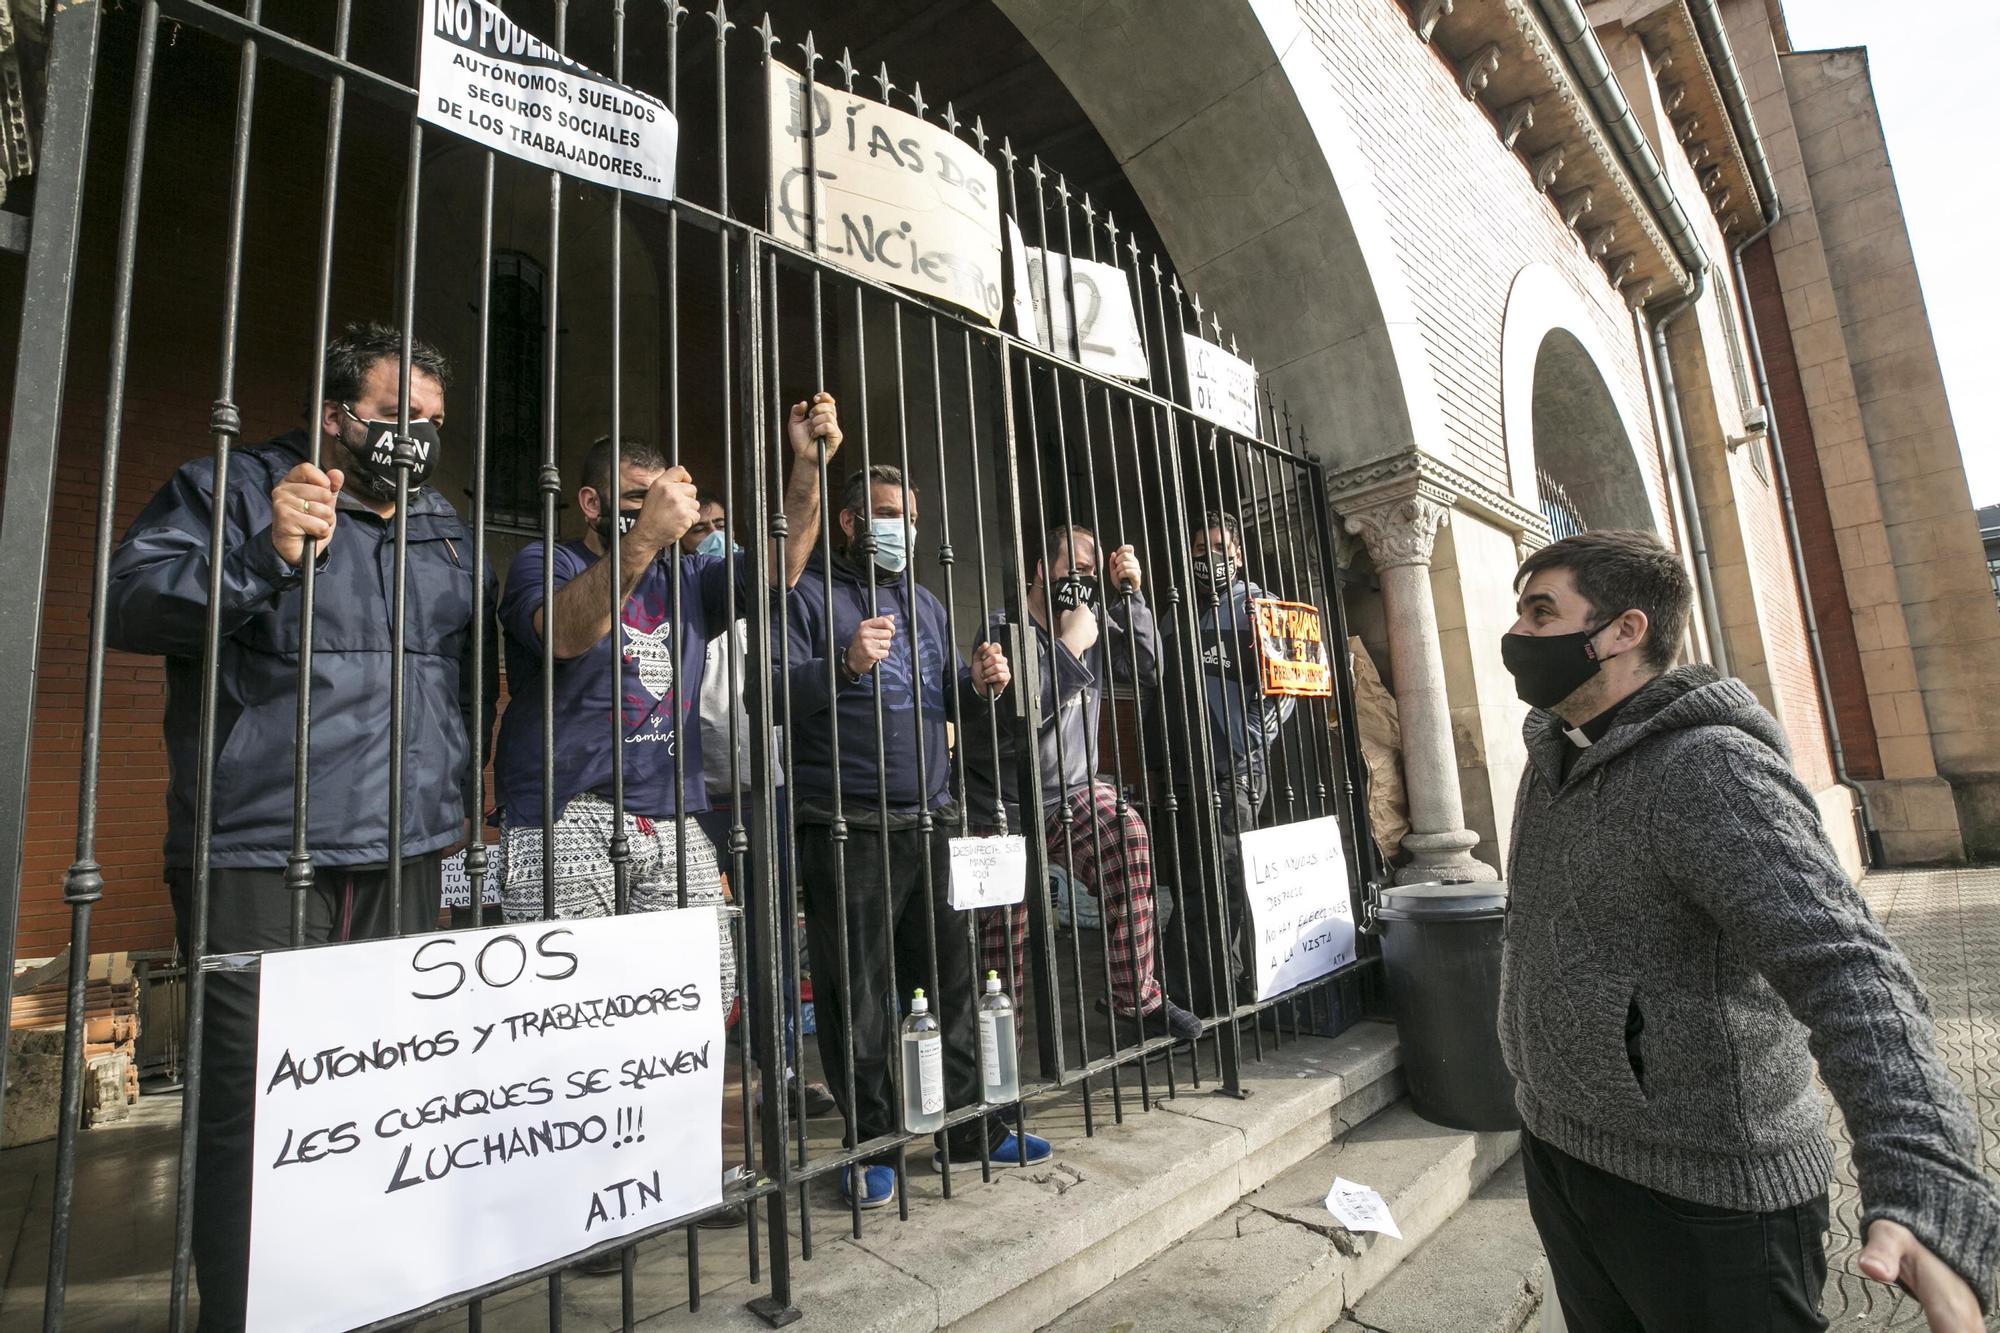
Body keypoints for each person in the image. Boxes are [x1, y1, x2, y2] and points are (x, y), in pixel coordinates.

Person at [1498, 529, 1997, 1332]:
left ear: (1624, 631)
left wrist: (1924, 1185)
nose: (1517, 635)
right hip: (1563, 1156)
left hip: (1709, 1202)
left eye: (1541, 611)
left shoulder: (1709, 768)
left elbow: (1850, 970)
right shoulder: (1549, 758)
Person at [105, 322, 495, 1330]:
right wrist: (260, 555)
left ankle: (360, 1291)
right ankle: (250, 1311)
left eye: (433, 423)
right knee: (255, 1105)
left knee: (379, 1090)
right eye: (395, 417)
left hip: (407, 845)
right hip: (261, 846)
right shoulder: (231, 486)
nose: (415, 438)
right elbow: (128, 604)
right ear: (335, 415)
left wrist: (454, 800)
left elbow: (458, 674)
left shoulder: (441, 522)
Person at [785, 463, 1050, 1211]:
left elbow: (944, 703)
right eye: (884, 513)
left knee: (952, 982)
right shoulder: (807, 594)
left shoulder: (926, 603)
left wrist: (979, 682)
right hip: (847, 824)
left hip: (930, 817)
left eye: (906, 513)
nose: (900, 527)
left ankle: (969, 1125)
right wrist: (844, 661)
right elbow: (765, 692)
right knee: (858, 997)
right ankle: (872, 1145)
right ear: (848, 521)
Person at [963, 524, 1201, 1048]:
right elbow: (1024, 717)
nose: (1080, 579)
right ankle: (998, 1059)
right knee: (1002, 936)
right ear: (1039, 571)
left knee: (1128, 832)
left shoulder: (1093, 625)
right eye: (1072, 567)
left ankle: (1135, 998)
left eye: (1090, 572)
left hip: (1070, 791)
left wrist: (1132, 597)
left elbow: (1149, 665)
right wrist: (1072, 644)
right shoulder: (1004, 626)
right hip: (1002, 801)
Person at [687, 488, 838, 1121]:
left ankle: (776, 1077)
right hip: (691, 795)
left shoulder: (765, 596)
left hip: (762, 789)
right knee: (695, 942)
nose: (716, 537)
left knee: (768, 936)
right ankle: (691, 1086)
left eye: (724, 527)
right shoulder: (685, 597)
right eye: (703, 530)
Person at [1152, 511, 1294, 1017]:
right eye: (1199, 552)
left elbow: (1286, 685)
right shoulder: (1179, 612)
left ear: (1238, 556)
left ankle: (1203, 989)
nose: (1208, 561)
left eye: (1219, 550)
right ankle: (1192, 987)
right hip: (1186, 766)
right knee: (1195, 875)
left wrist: (1248, 742)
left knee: (1225, 874)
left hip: (1233, 766)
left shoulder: (1261, 607)